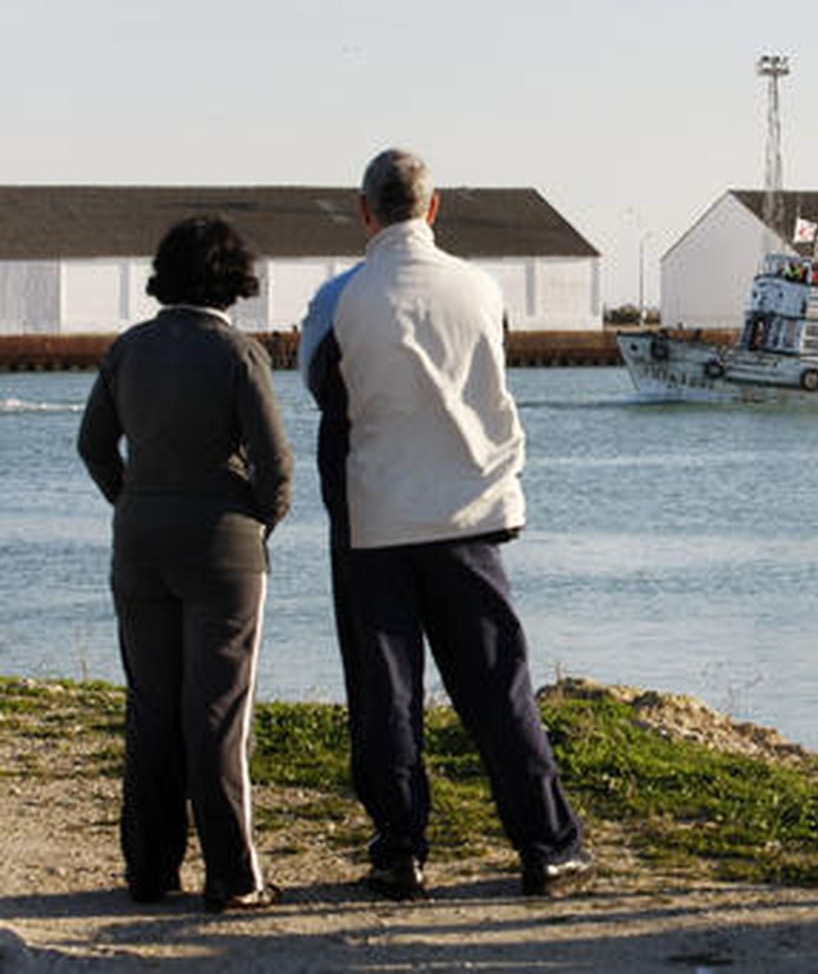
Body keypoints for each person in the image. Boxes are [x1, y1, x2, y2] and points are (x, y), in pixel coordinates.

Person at [300, 148, 591, 900]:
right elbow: (496, 365)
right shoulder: (481, 289)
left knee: (385, 694)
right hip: (470, 512)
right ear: (433, 210)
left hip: (374, 520)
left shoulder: (339, 299)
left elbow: (320, 388)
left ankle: (402, 850)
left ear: (365, 212)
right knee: (500, 688)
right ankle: (547, 844)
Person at [77, 216, 292, 912]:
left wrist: (130, 497)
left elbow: (93, 444)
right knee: (219, 712)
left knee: (152, 706)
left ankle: (149, 866)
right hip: (221, 544)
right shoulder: (237, 353)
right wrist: (259, 518)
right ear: (234, 281)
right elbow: (275, 464)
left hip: (139, 539)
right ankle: (233, 876)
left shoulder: (128, 349)